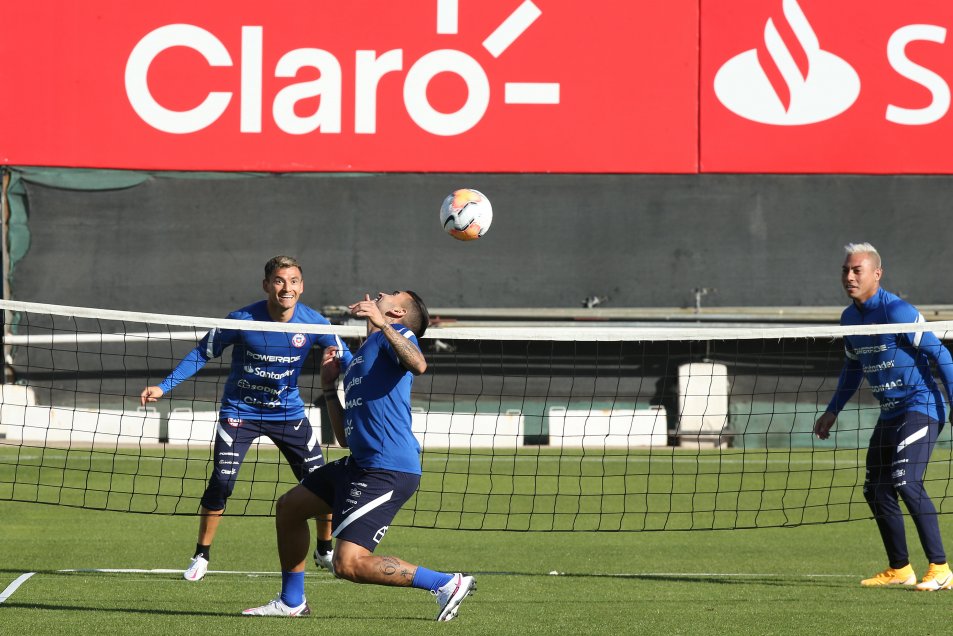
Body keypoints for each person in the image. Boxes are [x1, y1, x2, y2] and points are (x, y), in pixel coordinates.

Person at [242, 291, 476, 621]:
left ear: (396, 311)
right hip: (359, 463)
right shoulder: (361, 357)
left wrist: (382, 324)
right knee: (290, 508)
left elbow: (419, 364)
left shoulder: (397, 335)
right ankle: (292, 601)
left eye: (391, 295)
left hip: (387, 468)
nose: (381, 293)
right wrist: (328, 388)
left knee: (348, 564)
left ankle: (446, 583)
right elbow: (342, 437)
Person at [140, 255, 353, 582]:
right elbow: (202, 352)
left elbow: (348, 358)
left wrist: (364, 372)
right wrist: (164, 386)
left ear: (302, 286)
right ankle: (201, 554)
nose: (287, 288)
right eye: (280, 281)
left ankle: (324, 549)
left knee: (322, 482)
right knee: (222, 482)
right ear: (267, 285)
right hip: (241, 412)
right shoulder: (242, 319)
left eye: (294, 281)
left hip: (288, 414)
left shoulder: (314, 323)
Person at [814, 242, 953, 591]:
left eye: (856, 270)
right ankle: (900, 569)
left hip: (921, 405)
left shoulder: (898, 311)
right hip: (890, 413)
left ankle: (940, 568)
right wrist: (832, 410)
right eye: (845, 270)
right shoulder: (849, 318)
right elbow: (851, 367)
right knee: (875, 489)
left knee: (906, 481)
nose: (849, 276)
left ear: (877, 274)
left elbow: (944, 357)